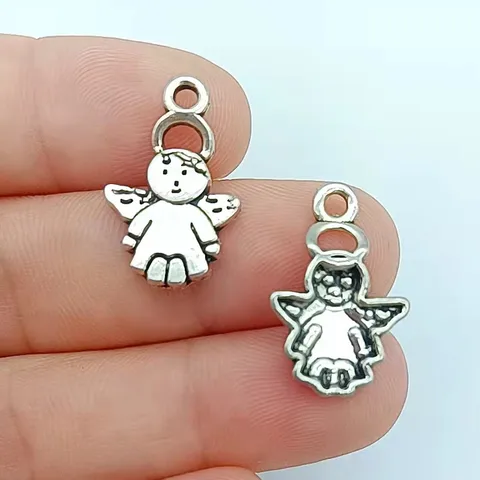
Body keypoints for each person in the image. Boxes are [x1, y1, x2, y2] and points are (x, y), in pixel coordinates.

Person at [0, 34, 407, 480]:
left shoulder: (214, 216)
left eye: (185, 172)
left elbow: (215, 231)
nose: (176, 181)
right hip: (160, 248)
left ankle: (336, 371)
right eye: (170, 171)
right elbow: (148, 217)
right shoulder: (173, 205)